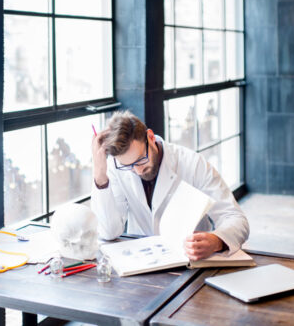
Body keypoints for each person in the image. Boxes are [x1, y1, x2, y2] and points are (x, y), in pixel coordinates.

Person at [91, 110, 249, 261]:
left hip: (191, 261)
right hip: (142, 262)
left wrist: (216, 241)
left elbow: (235, 219)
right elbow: (109, 232)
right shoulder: (116, 167)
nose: (138, 170)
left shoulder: (193, 163)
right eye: (129, 166)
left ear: (151, 137)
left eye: (141, 159)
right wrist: (100, 176)